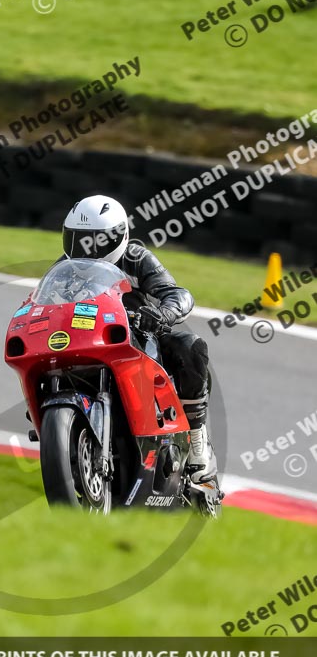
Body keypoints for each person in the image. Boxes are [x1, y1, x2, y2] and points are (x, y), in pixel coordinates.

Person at [61, 194, 217, 485]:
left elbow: (177, 294)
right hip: (86, 340)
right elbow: (43, 301)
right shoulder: (65, 267)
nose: (87, 249)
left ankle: (197, 437)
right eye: (78, 240)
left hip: (136, 337)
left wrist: (163, 315)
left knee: (190, 346)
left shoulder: (136, 257)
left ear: (118, 236)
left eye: (96, 241)